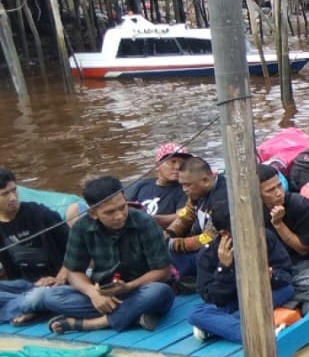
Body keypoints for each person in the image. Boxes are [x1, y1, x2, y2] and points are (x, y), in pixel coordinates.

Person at [23, 176, 175, 334]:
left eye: (122, 207)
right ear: (93, 213)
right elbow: (74, 271)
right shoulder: (81, 227)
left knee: (160, 292)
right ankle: (133, 315)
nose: (119, 215)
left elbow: (163, 271)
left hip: (139, 289)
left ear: (125, 198)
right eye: (110, 212)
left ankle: (93, 323)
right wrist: (93, 293)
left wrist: (128, 286)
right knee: (51, 297)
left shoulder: (145, 222)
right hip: (102, 293)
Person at [189, 227, 294, 344]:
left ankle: (215, 326)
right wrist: (224, 268)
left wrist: (271, 277)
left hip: (260, 294)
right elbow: (211, 297)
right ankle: (261, 336)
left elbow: (285, 274)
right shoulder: (208, 253)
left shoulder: (262, 235)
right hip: (232, 300)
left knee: (287, 289)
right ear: (223, 232)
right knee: (196, 313)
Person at [257, 163, 309, 303]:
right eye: (270, 190)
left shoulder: (300, 205)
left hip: (308, 257)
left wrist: (278, 224)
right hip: (280, 263)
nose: (278, 193)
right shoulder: (254, 214)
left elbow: (303, 249)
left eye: (279, 186)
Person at [0, 168, 69, 324]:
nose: (12, 197)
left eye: (14, 191)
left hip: (55, 284)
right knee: (28, 296)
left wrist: (61, 275)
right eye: (5, 194)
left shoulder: (41, 214)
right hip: (25, 285)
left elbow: (77, 249)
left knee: (38, 296)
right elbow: (10, 271)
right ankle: (28, 307)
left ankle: (28, 308)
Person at [165, 157, 229, 278]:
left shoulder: (221, 201)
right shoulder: (197, 191)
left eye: (187, 185)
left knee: (164, 258)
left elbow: (209, 237)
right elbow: (186, 216)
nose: (184, 189)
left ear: (205, 180)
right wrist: (168, 234)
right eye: (182, 185)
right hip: (200, 244)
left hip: (216, 251)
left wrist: (172, 244)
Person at [124, 143, 192, 228]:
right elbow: (127, 207)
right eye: (172, 162)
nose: (178, 167)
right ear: (157, 165)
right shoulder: (143, 184)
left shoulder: (185, 189)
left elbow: (181, 217)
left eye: (182, 164)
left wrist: (148, 219)